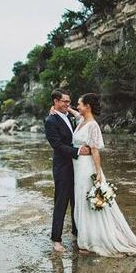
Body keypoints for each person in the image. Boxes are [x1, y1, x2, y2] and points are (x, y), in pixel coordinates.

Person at [69, 93, 136, 257]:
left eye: (79, 104)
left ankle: (89, 241)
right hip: (77, 167)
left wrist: (98, 172)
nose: (77, 107)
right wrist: (65, 109)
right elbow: (76, 114)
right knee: (80, 199)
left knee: (89, 202)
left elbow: (95, 151)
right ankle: (86, 237)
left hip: (87, 168)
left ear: (88, 106)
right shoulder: (82, 120)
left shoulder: (92, 125)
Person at [44, 88, 91, 252]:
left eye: (69, 102)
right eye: (64, 101)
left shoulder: (69, 116)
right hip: (62, 168)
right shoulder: (50, 121)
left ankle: (76, 233)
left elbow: (82, 117)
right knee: (61, 203)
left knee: (76, 200)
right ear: (55, 102)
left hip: (77, 167)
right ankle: (56, 239)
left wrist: (68, 109)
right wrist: (78, 151)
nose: (67, 104)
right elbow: (57, 146)